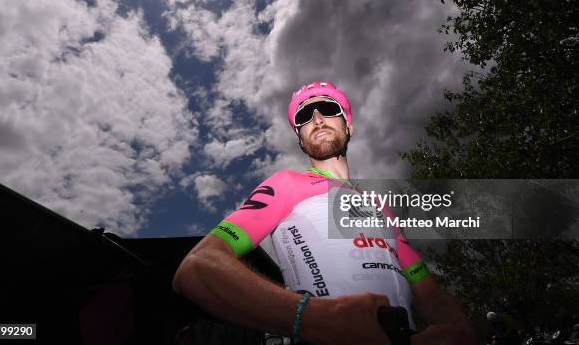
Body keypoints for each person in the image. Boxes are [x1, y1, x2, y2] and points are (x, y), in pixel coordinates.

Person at [173, 82, 476, 344]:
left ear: (349, 126)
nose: (317, 118)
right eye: (305, 117)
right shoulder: (286, 184)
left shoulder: (382, 208)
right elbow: (198, 268)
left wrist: (458, 330)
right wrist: (316, 319)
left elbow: (428, 292)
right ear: (301, 139)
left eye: (328, 109)